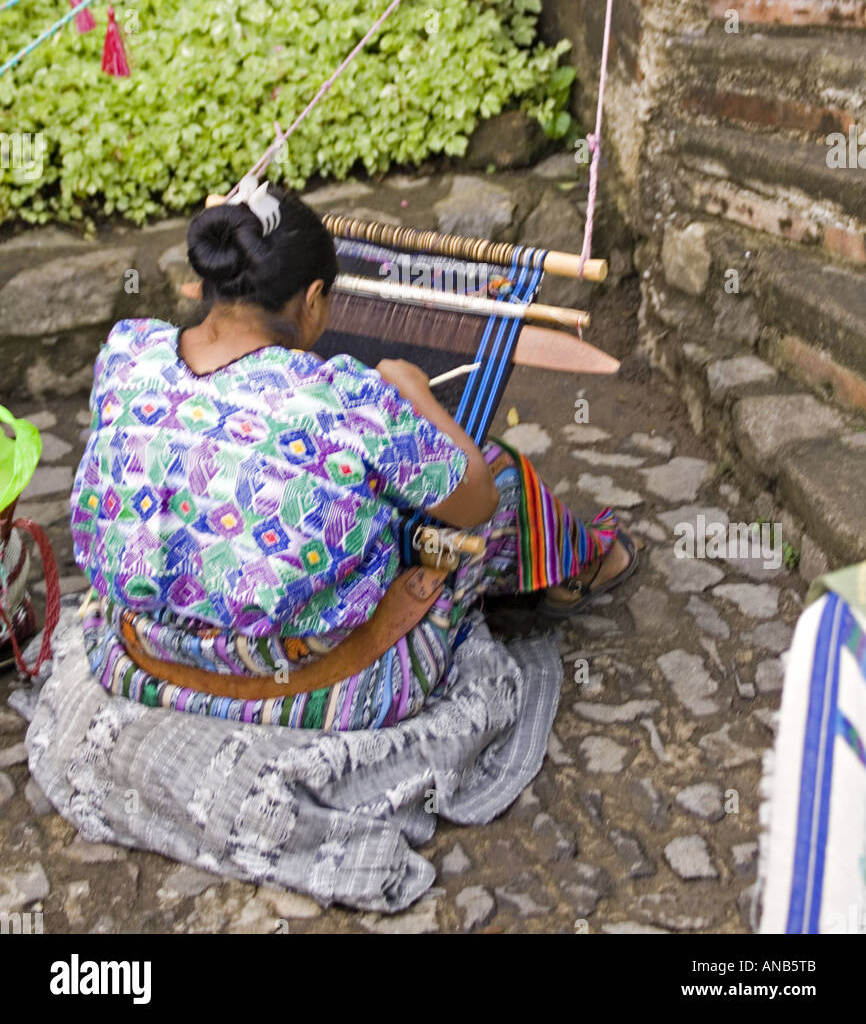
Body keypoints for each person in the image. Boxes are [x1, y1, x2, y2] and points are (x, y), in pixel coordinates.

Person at [70, 183, 638, 731]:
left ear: (211, 284)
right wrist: (414, 395)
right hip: (313, 687)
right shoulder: (347, 396)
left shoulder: (129, 353)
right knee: (498, 472)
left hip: (142, 657)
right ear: (314, 298)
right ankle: (584, 562)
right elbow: (477, 500)